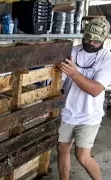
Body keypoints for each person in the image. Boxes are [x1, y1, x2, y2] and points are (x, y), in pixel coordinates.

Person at [58, 18, 111, 180]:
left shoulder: (107, 59)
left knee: (82, 156)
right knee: (62, 149)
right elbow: (59, 80)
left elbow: (95, 90)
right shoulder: (72, 51)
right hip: (67, 112)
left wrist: (74, 73)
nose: (91, 42)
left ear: (105, 38)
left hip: (89, 115)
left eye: (96, 40)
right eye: (88, 37)